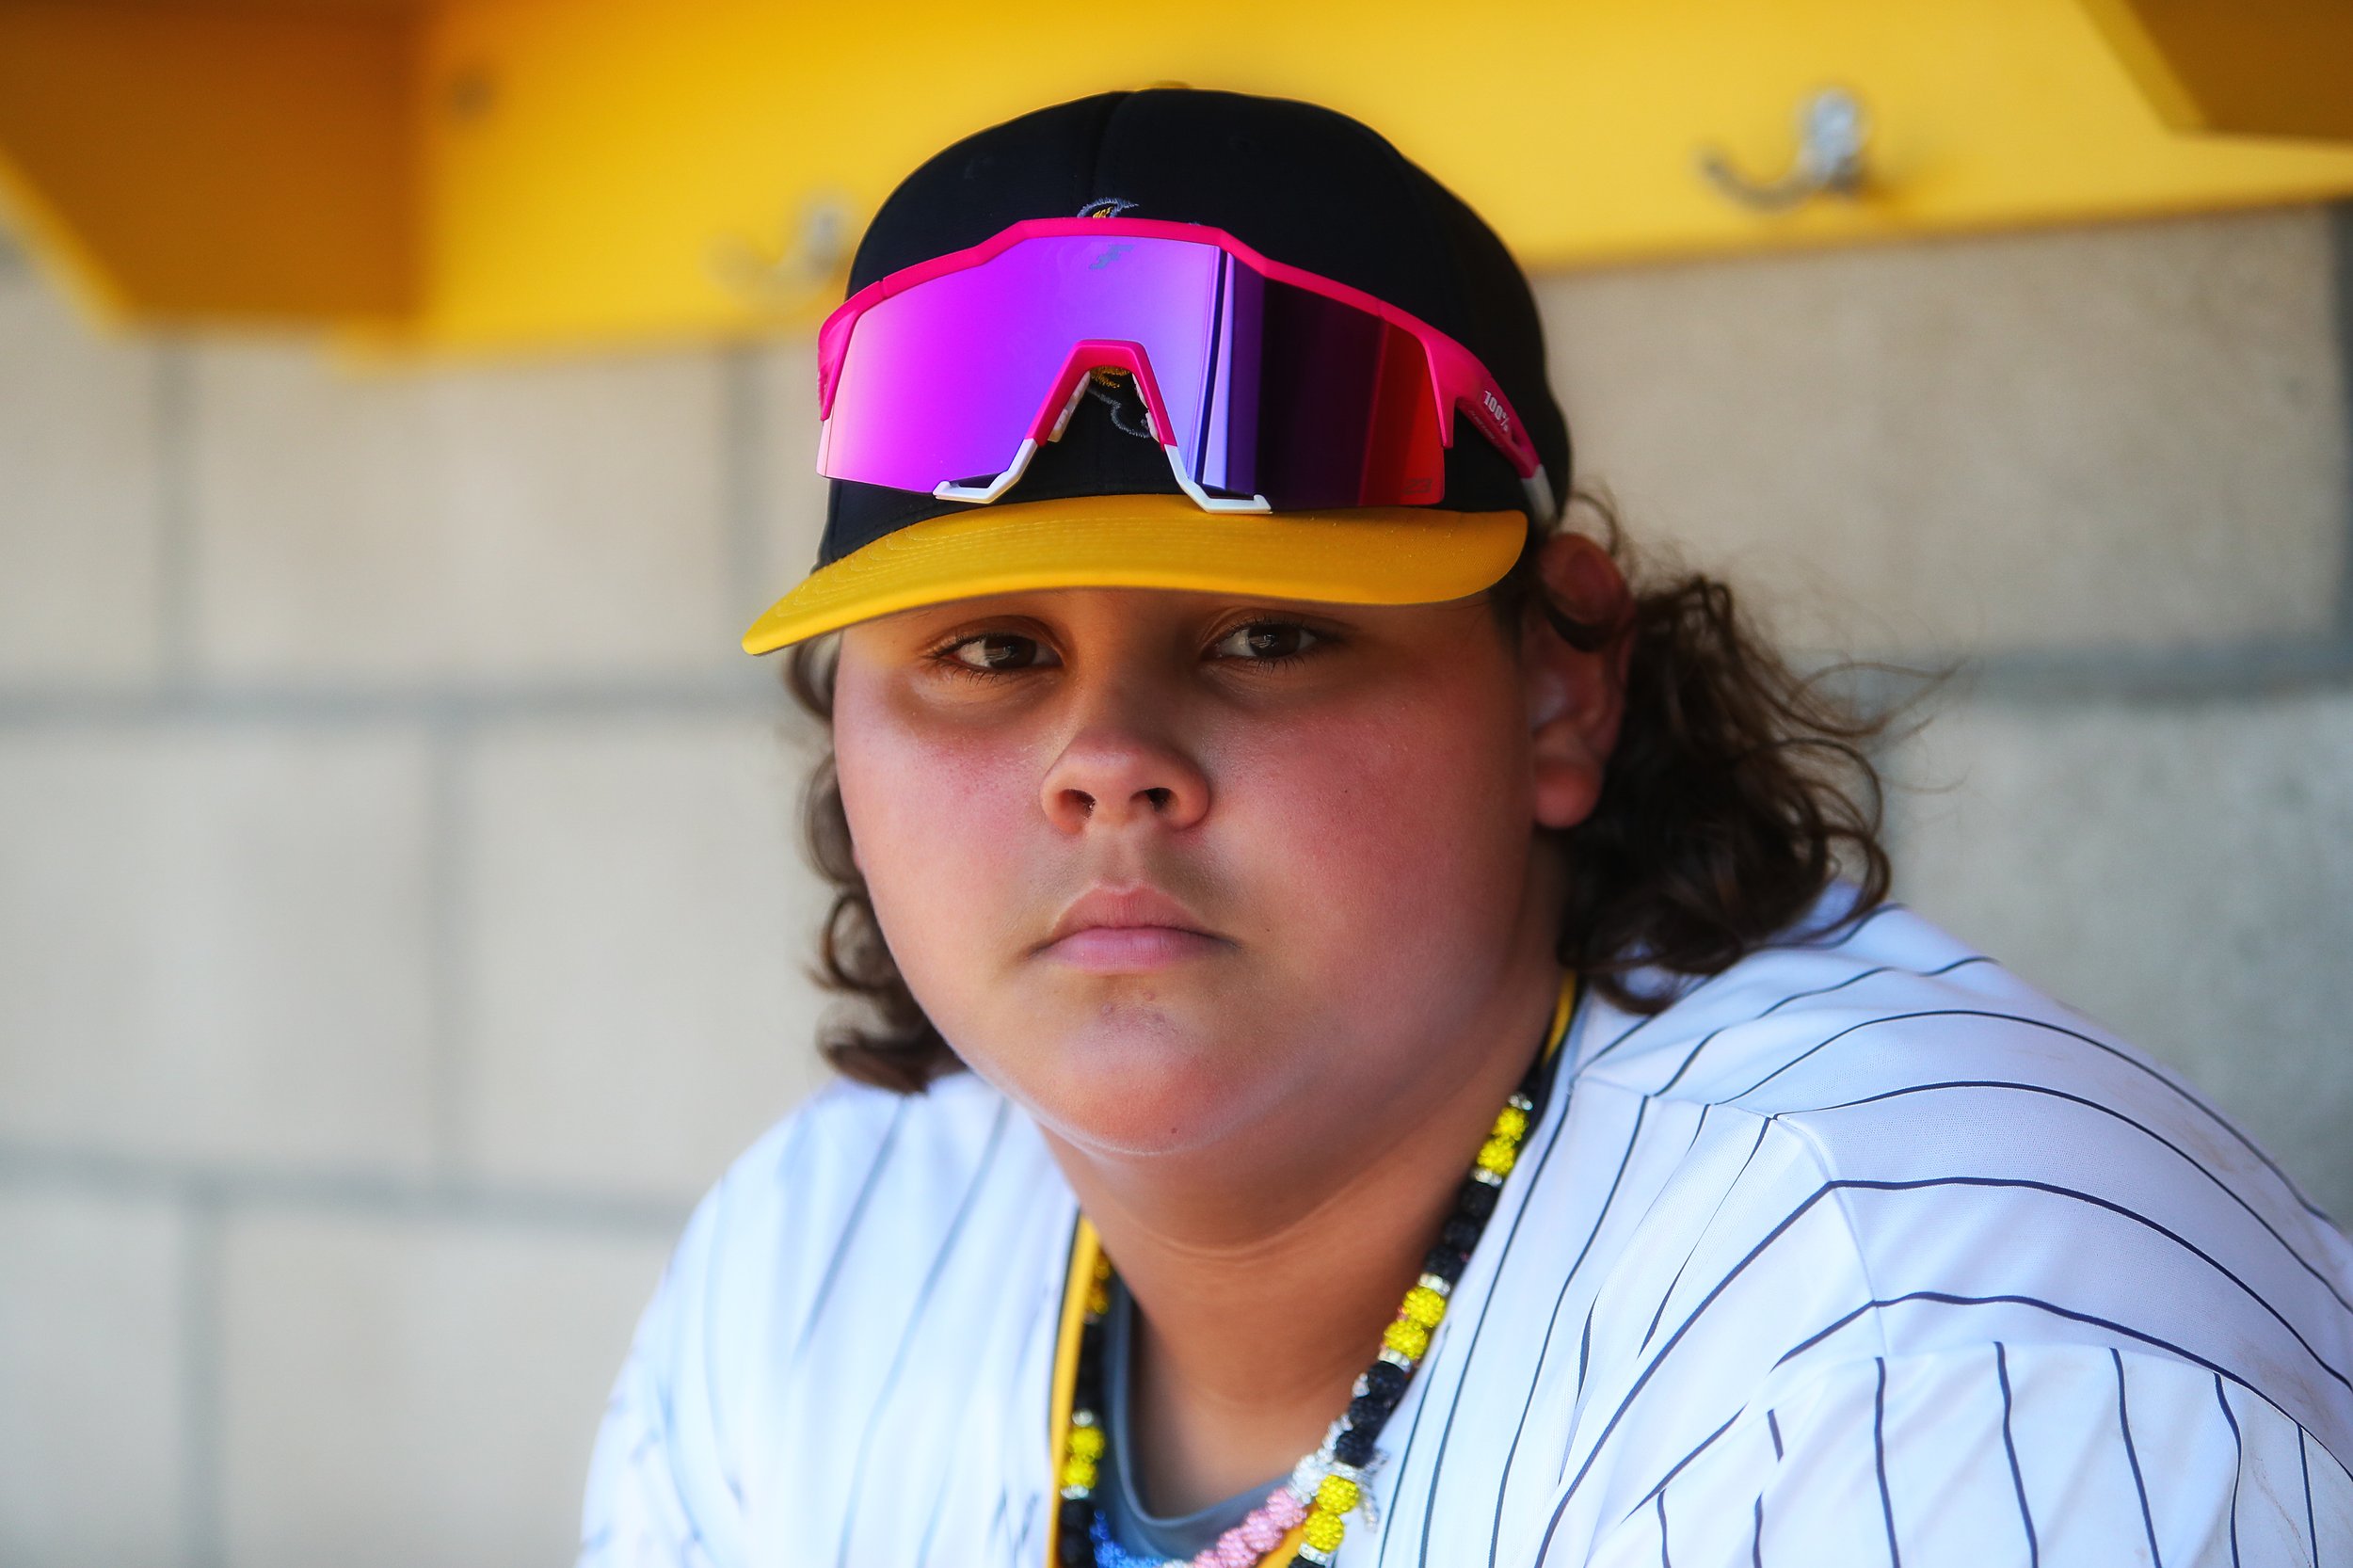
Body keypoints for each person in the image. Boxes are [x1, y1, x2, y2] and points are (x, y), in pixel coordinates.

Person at [578, 88, 2353, 1567]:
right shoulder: (808, 1262)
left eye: (1269, 634)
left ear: (1562, 680)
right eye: (989, 652)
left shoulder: (1930, 1341)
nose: (1106, 762)